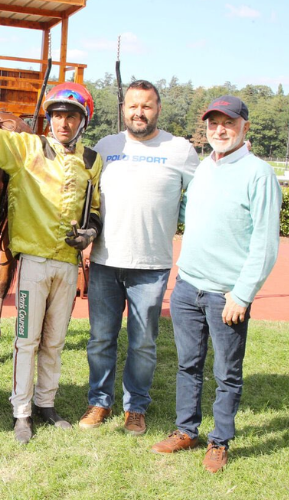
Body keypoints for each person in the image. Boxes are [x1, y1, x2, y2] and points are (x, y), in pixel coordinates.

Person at [0, 82, 103, 444]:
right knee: (26, 341)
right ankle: (22, 412)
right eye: (57, 116)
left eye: (71, 117)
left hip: (67, 264)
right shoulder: (26, 147)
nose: (63, 123)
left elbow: (94, 211)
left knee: (55, 341)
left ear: (84, 121)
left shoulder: (93, 161)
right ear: (49, 119)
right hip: (32, 260)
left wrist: (89, 233)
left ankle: (46, 404)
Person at [151, 95, 281, 473]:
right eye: (213, 123)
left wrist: (242, 294)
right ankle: (185, 430)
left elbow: (265, 243)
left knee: (226, 373)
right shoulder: (204, 168)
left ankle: (219, 441)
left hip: (227, 295)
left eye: (229, 122)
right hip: (189, 286)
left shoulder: (259, 174)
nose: (220, 130)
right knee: (188, 365)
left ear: (245, 128)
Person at [79, 80, 199, 435]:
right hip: (105, 261)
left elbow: (202, 195)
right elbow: (85, 195)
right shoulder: (105, 147)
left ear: (158, 108)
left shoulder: (180, 150)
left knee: (143, 342)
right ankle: (99, 401)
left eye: (146, 106)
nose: (138, 112)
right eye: (132, 106)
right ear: (123, 109)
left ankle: (136, 407)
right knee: (101, 338)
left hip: (151, 265)